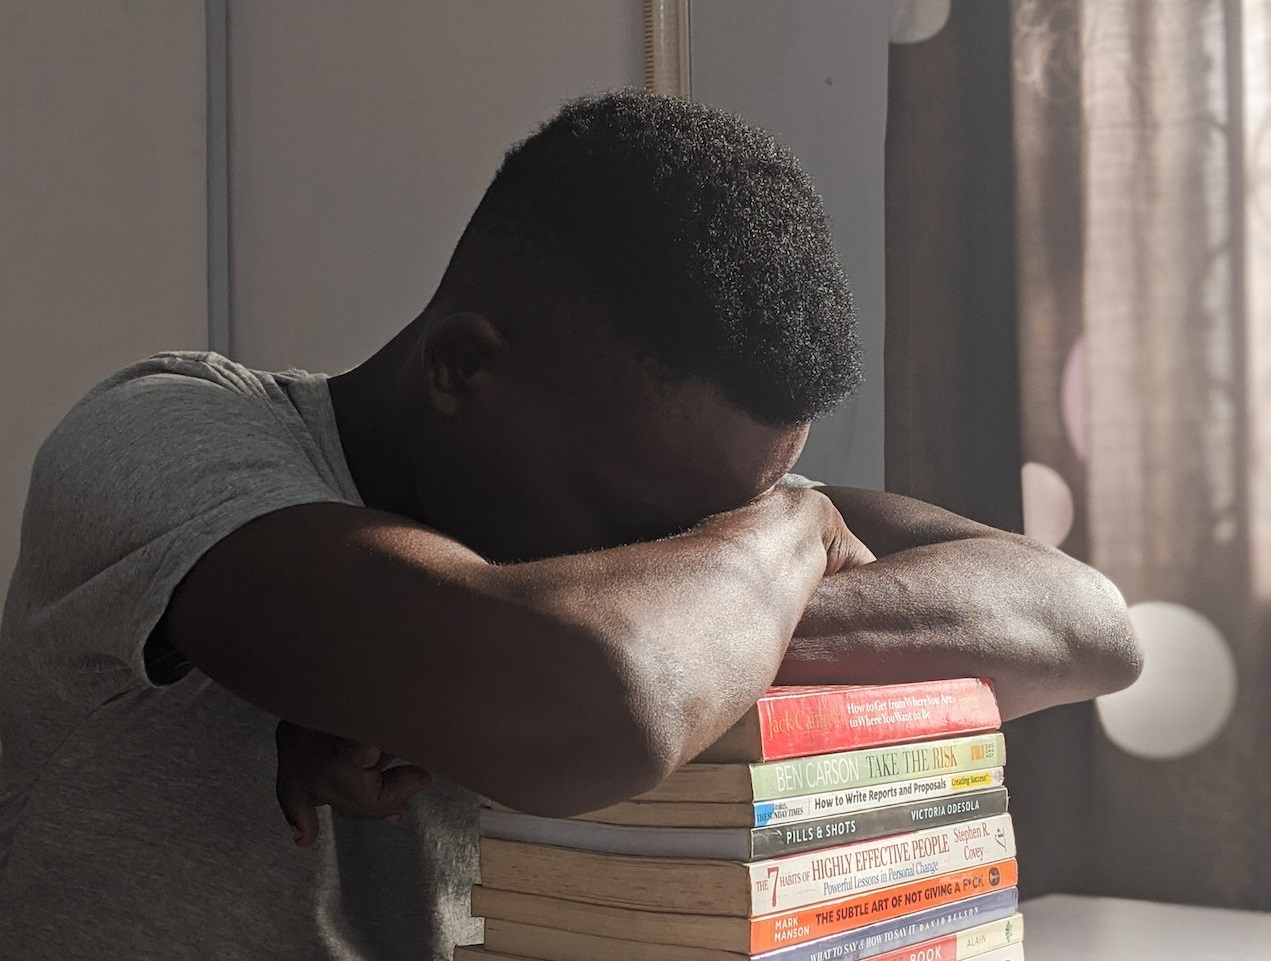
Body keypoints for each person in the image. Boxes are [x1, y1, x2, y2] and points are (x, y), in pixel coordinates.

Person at [0, 91, 1140, 960]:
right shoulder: (163, 439)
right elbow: (587, 697)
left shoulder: (698, 523)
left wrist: (734, 582)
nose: (686, 559)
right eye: (652, 529)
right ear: (459, 368)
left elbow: (1085, 625)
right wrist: (781, 540)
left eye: (725, 522)